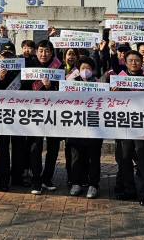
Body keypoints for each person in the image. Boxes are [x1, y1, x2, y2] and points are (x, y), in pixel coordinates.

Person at [110, 50, 144, 206]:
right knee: (124, 159)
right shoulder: (118, 81)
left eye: (137, 60)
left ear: (142, 62)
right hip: (124, 125)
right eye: (130, 60)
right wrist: (113, 93)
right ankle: (129, 190)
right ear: (125, 62)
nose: (133, 63)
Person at [22, 36, 62, 195]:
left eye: (47, 51)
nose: (43, 54)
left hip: (53, 114)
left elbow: (64, 91)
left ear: (52, 53)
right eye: (41, 51)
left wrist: (51, 87)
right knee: (35, 147)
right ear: (36, 52)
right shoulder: (29, 66)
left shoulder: (58, 68)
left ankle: (47, 178)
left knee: (53, 147)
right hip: (34, 113)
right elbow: (22, 88)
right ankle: (36, 181)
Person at [0, 40, 29, 191]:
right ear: (0, 57)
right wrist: (0, 79)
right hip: (3, 114)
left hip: (19, 113)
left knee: (19, 147)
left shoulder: (22, 70)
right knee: (3, 148)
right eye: (4, 56)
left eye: (10, 55)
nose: (7, 59)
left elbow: (27, 88)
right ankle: (3, 179)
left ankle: (17, 177)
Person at [66, 56, 103, 199]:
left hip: (94, 126)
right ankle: (76, 183)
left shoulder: (100, 86)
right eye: (82, 69)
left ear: (93, 71)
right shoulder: (71, 84)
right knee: (76, 156)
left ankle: (93, 185)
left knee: (94, 157)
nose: (85, 71)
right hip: (76, 125)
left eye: (88, 68)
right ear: (78, 71)